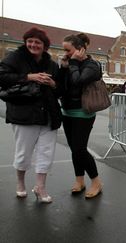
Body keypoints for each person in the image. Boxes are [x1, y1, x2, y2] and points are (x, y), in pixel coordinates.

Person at [0, 27, 62, 203]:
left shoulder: (51, 63)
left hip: (48, 115)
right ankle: (20, 183)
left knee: (46, 153)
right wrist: (29, 77)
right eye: (30, 41)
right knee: (23, 153)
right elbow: (2, 77)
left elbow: (59, 90)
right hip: (24, 114)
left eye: (38, 42)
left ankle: (40, 187)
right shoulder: (15, 57)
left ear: (44, 45)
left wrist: (53, 83)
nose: (33, 45)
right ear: (25, 42)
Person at [60, 33, 103, 199]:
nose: (65, 53)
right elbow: (62, 85)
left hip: (83, 113)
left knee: (80, 148)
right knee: (74, 149)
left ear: (80, 49)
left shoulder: (92, 65)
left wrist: (72, 63)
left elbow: (78, 81)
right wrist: (63, 68)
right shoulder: (70, 63)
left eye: (67, 50)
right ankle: (79, 180)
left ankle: (96, 181)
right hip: (67, 112)